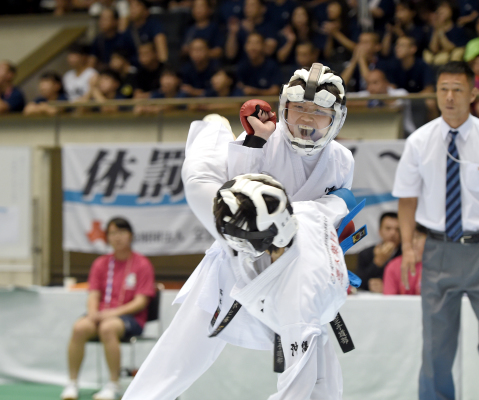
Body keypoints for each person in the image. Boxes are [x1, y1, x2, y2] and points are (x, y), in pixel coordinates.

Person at [121, 63, 355, 399]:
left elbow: (325, 230)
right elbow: (234, 199)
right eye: (299, 108)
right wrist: (256, 142)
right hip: (235, 268)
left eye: (319, 112)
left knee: (319, 372)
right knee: (175, 362)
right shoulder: (262, 139)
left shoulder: (343, 162)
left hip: (293, 277)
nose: (306, 119)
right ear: (284, 107)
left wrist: (330, 256)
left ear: (337, 119)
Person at [394, 61, 479, 400]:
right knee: (436, 351)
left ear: (472, 93)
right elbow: (407, 201)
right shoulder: (418, 141)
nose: (450, 97)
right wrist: (409, 248)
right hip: (438, 251)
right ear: (436, 94)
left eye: (457, 89)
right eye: (443, 89)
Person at [60, 217, 155, 400]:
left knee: (108, 328)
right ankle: (72, 382)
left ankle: (113, 384)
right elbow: (93, 294)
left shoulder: (142, 264)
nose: (117, 237)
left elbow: (141, 302)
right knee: (80, 327)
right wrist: (94, 313)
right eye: (112, 233)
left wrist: (112, 314)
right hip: (101, 314)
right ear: (107, 238)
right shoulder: (100, 263)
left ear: (130, 236)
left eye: (121, 232)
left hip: (130, 318)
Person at [346, 69, 416, 135]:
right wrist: (370, 102)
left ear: (386, 83)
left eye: (375, 83)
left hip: (405, 133)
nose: (371, 87)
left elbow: (395, 104)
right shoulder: (368, 94)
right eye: (368, 84)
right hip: (378, 133)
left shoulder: (401, 93)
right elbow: (345, 99)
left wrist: (376, 99)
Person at [355, 212, 402, 293]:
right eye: (388, 228)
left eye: (397, 230)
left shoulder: (405, 255)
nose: (393, 233)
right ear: (380, 231)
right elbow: (358, 283)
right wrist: (377, 263)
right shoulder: (366, 253)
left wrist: (388, 287)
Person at [423, 1, 468, 66]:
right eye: (439, 8)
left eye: (444, 7)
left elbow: (450, 48)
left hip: (452, 60)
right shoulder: (434, 29)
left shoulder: (457, 29)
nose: (441, 10)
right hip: (436, 61)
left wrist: (441, 33)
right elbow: (433, 49)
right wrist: (436, 30)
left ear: (451, 11)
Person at [383, 230, 427, 295]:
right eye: (410, 238)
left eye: (418, 237)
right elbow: (390, 300)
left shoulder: (435, 264)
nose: (414, 242)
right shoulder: (393, 266)